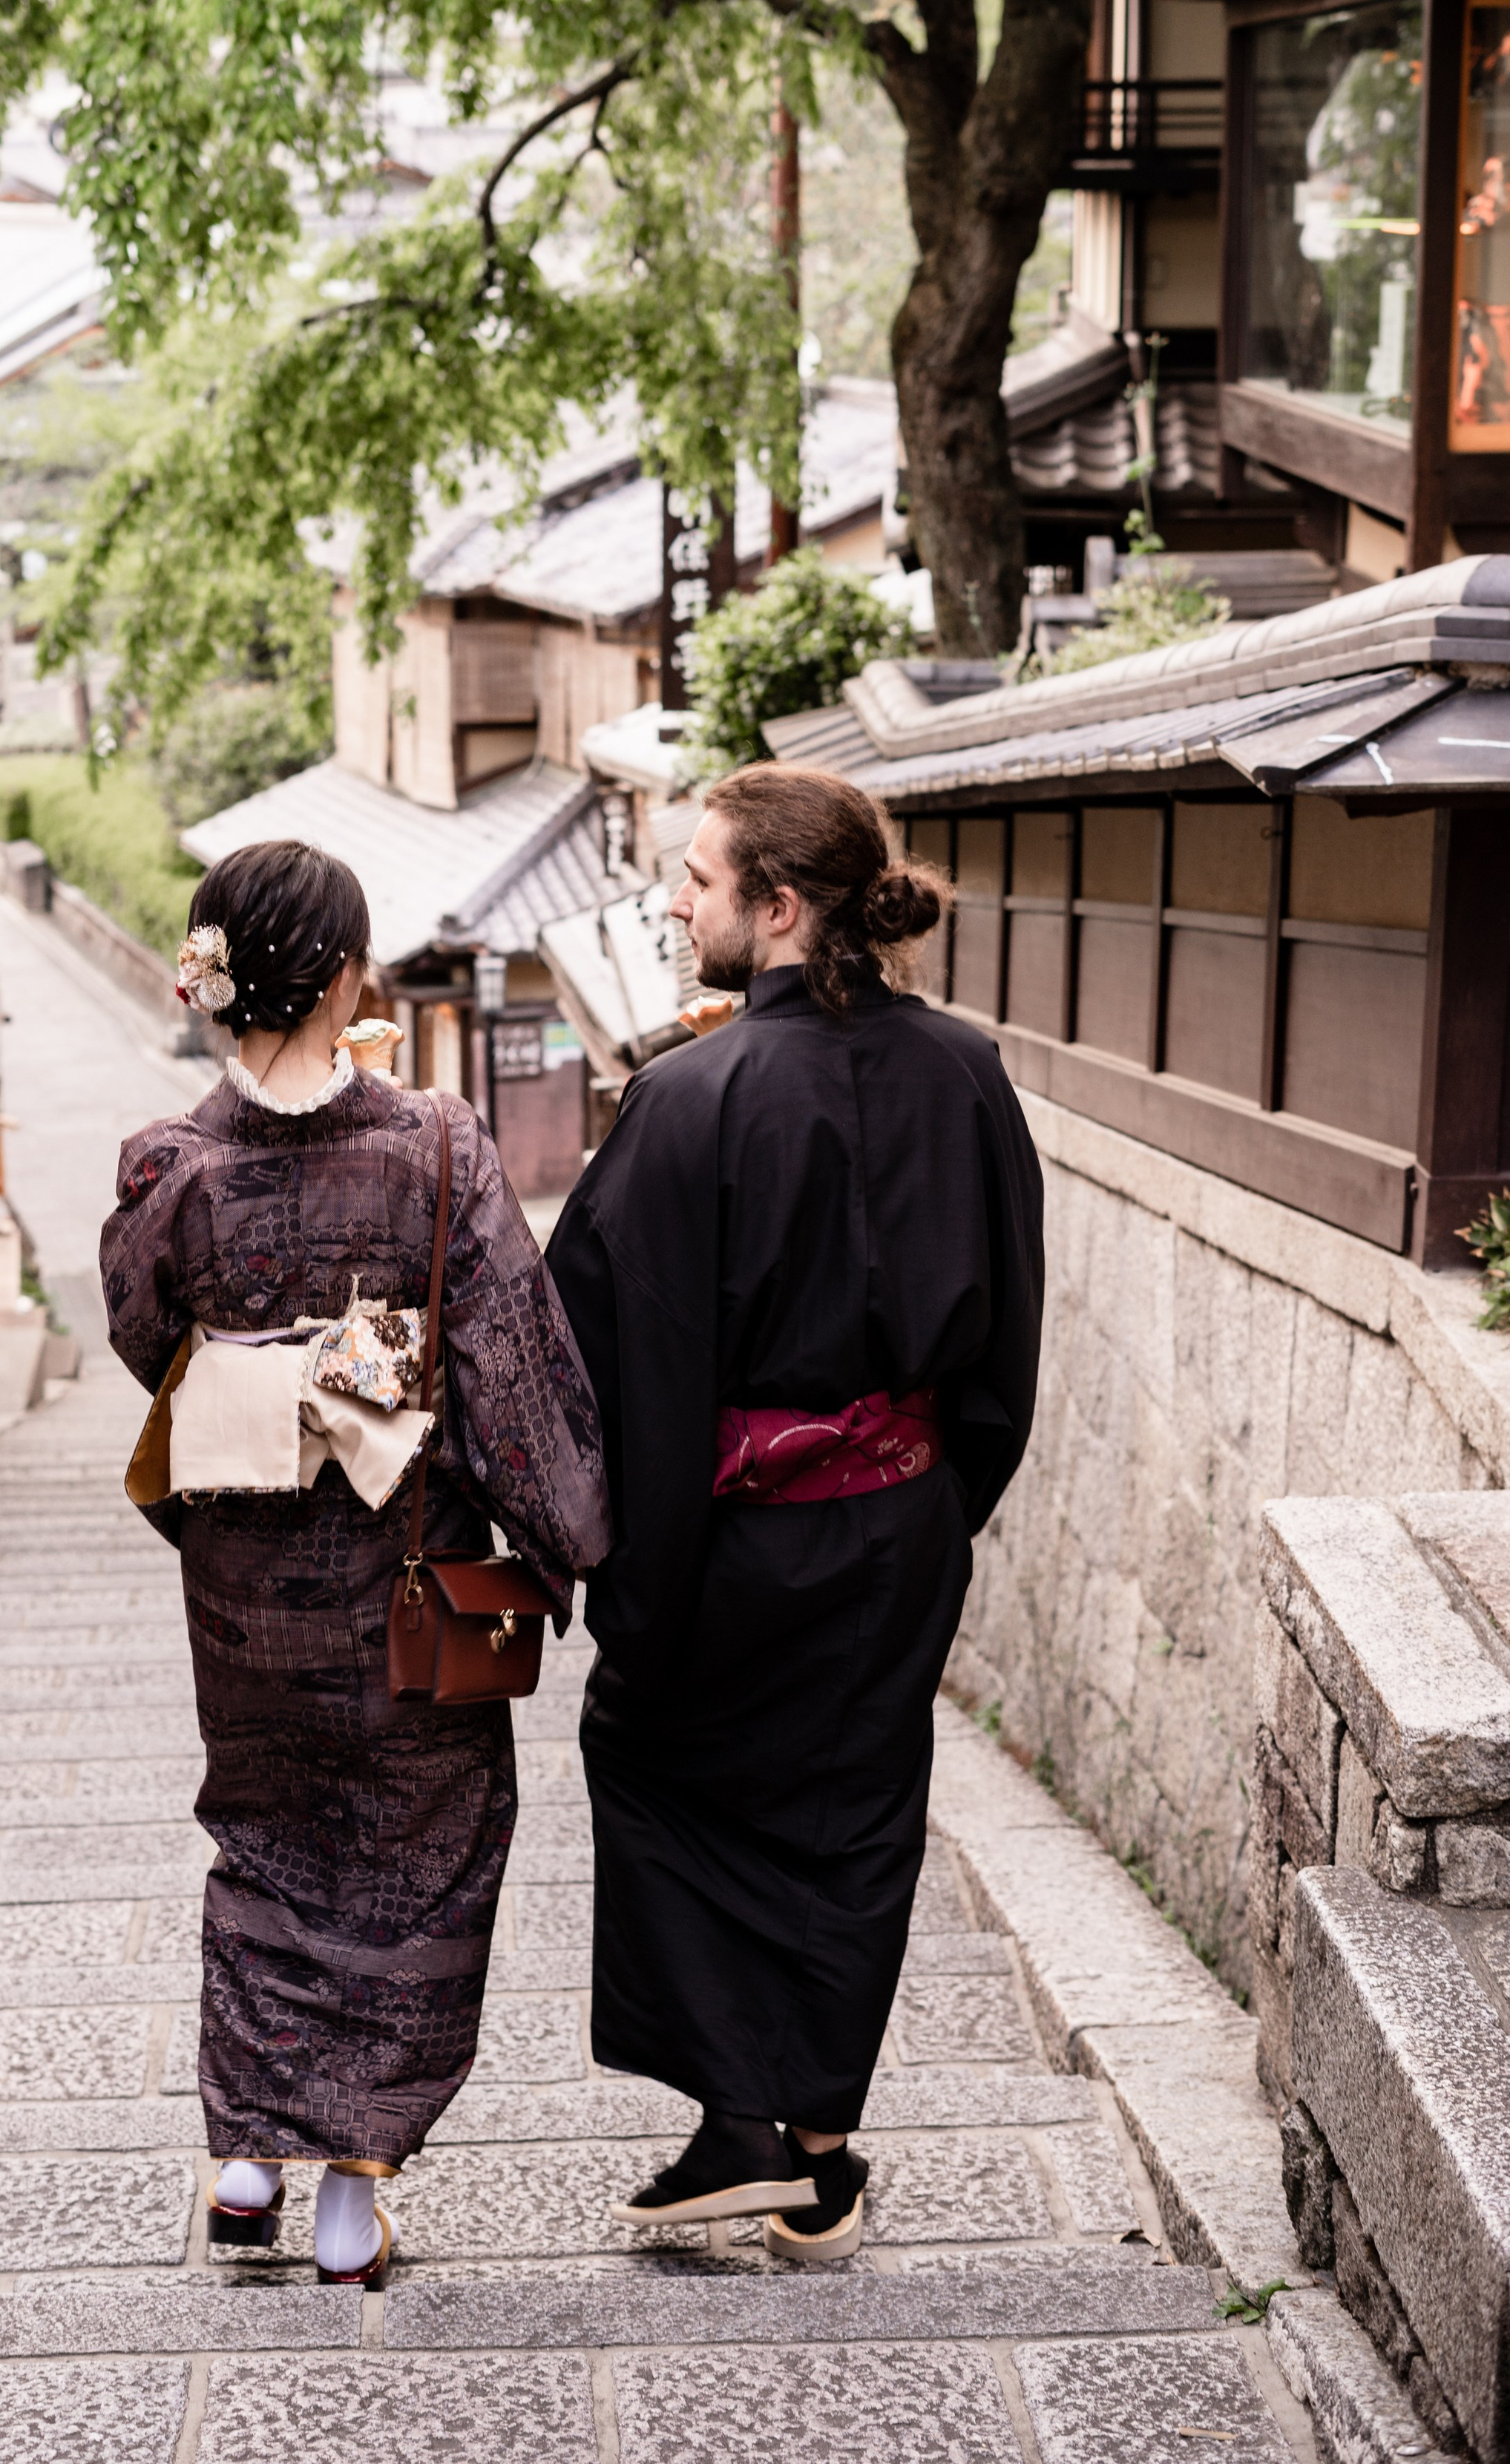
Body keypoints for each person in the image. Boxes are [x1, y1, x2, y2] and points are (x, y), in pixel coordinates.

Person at [545, 764, 1044, 2260]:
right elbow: (1007, 1331)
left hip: (733, 1538)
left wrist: (622, 1570)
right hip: (896, 1522)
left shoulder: (689, 1099)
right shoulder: (964, 1074)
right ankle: (816, 2151)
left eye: (696, 879)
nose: (674, 900)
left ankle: (737, 2127)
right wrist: (939, 1504)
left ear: (775, 906)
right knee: (853, 1813)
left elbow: (592, 1342)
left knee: (650, 1762)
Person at [101, 840, 608, 2285]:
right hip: (405, 1592)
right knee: (418, 1873)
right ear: (343, 979)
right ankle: (346, 2204)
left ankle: (247, 2160)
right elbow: (508, 1364)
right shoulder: (434, 1149)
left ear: (213, 979)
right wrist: (576, 1547)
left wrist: (260, 1366)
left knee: (263, 1853)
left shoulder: (167, 1165)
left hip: (244, 1604)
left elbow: (153, 1347)